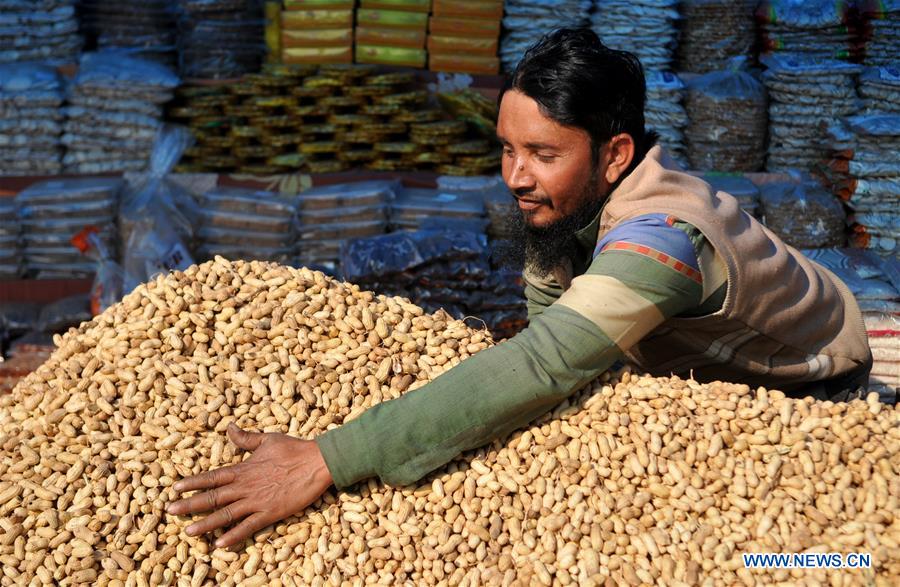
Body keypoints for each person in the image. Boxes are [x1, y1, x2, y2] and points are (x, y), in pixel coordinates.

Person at [166, 28, 872, 548]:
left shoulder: (661, 240)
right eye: (507, 149)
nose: (515, 175)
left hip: (808, 390)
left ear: (615, 154)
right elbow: (546, 335)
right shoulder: (566, 208)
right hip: (679, 375)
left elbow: (541, 364)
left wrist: (331, 455)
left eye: (542, 154)